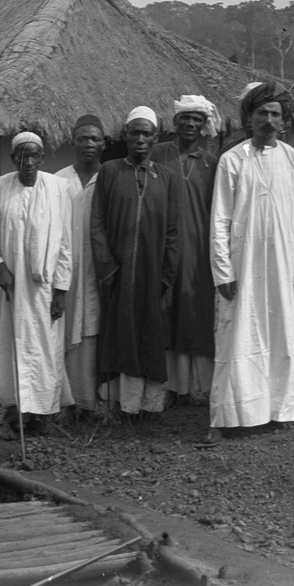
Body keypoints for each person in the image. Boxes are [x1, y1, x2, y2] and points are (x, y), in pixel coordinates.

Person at [206, 83, 294, 444]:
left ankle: (278, 411)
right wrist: (223, 270)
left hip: (281, 267)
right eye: (262, 113)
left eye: (275, 114)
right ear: (248, 118)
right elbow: (220, 219)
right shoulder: (232, 160)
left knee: (281, 337)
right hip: (243, 266)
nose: (268, 120)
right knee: (237, 337)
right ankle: (229, 417)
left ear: (284, 122)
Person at [0, 132, 73, 437]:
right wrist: (0, 268)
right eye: (22, 155)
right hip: (13, 287)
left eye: (34, 156)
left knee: (46, 349)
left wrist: (60, 290)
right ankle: (13, 412)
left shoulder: (59, 188)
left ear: (42, 158)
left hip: (45, 289)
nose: (28, 162)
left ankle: (42, 414)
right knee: (12, 346)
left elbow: (66, 243)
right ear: (12, 158)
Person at [90, 107, 180, 421]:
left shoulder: (167, 177)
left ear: (156, 138)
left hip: (153, 274)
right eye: (134, 133)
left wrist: (166, 277)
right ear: (125, 136)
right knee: (120, 332)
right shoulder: (110, 171)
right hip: (117, 272)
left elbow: (172, 232)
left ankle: (150, 405)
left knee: (151, 332)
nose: (140, 140)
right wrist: (108, 268)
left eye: (147, 134)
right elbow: (97, 223)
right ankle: (122, 405)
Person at [151, 96, 223, 407]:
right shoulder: (157, 155)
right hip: (162, 247)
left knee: (196, 311)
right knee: (165, 310)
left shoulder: (211, 162)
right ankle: (169, 385)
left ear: (204, 124)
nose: (191, 124)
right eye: (185, 118)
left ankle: (198, 385)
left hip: (199, 248)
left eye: (197, 119)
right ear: (175, 122)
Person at [54, 115, 106, 416]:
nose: (89, 144)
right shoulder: (58, 181)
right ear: (73, 142)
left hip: (98, 268)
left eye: (95, 139)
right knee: (67, 329)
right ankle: (67, 399)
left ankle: (93, 400)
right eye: (83, 138)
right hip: (66, 269)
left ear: (104, 143)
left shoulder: (111, 177)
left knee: (94, 329)